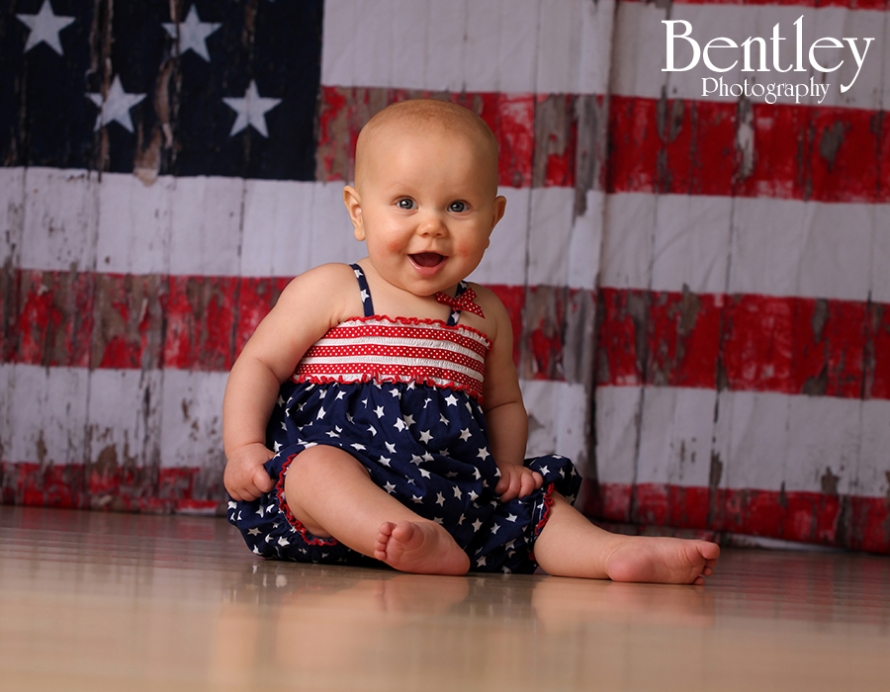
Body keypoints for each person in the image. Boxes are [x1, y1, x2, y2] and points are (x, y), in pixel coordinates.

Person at [223, 99, 720, 583]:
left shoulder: (485, 313)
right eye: (405, 203)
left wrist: (506, 465)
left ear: (493, 219)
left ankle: (613, 552)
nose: (432, 225)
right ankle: (393, 530)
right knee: (314, 470)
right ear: (358, 211)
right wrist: (245, 447)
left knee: (536, 506)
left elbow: (503, 401)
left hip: (453, 492)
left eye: (458, 206)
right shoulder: (335, 288)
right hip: (346, 488)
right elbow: (260, 364)